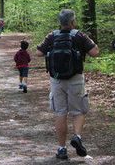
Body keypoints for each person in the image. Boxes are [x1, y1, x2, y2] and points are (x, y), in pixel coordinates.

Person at [36, 9, 99, 160]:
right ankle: (77, 136)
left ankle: (62, 148)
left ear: (60, 22)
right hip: (75, 79)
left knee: (60, 113)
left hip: (57, 80)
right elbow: (95, 52)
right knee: (78, 111)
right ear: (72, 22)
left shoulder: (52, 35)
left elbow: (38, 52)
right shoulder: (79, 35)